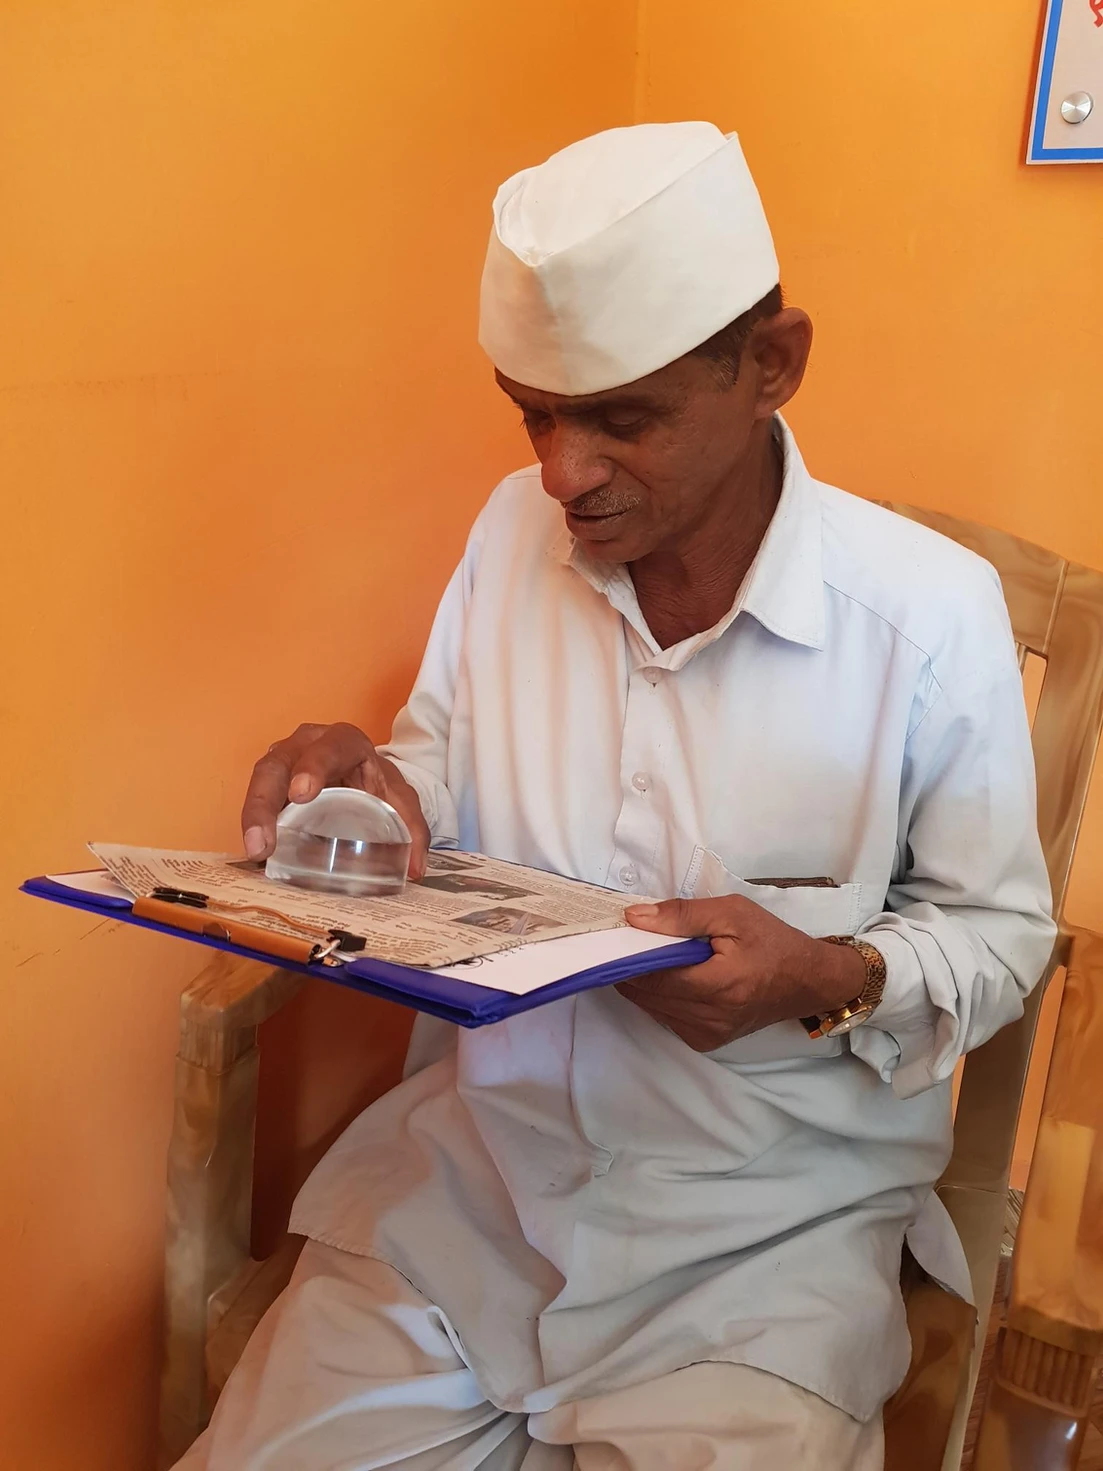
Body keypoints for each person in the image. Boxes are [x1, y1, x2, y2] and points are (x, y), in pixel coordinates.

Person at [179, 122, 1055, 1470]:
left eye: (620, 419)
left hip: (761, 1239)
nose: (559, 472)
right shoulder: (505, 539)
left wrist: (814, 969)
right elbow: (439, 759)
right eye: (530, 410)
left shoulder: (926, 617)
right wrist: (383, 794)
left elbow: (997, 936)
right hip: (473, 1193)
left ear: (772, 365)